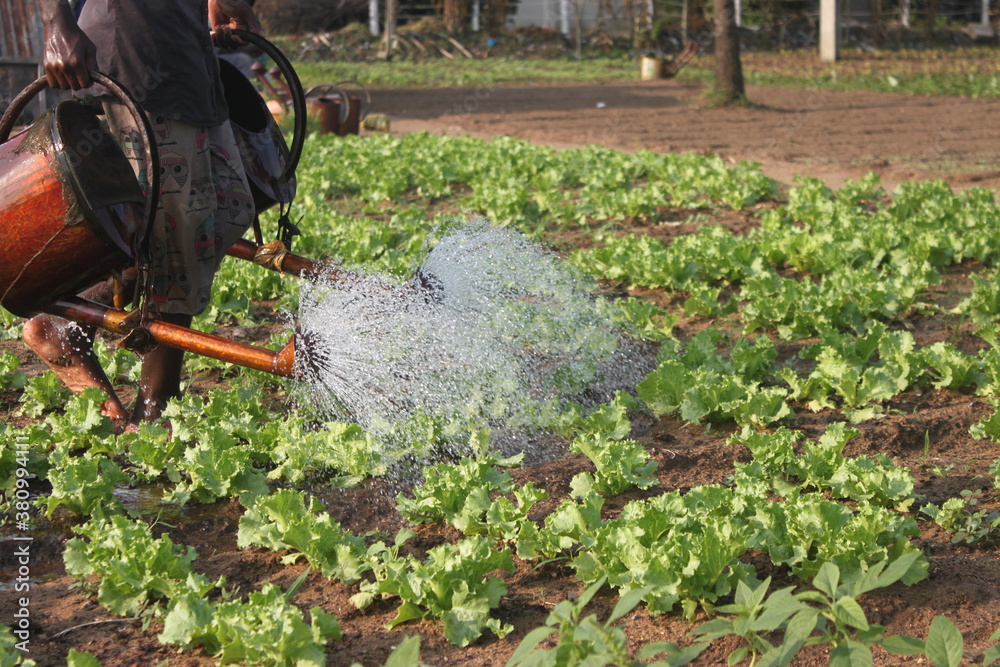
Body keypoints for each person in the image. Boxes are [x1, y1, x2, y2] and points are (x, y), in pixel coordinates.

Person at [23, 0, 263, 428]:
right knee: (178, 238)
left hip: (188, 60)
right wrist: (55, 23)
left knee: (229, 208)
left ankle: (63, 327)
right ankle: (155, 408)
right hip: (137, 54)